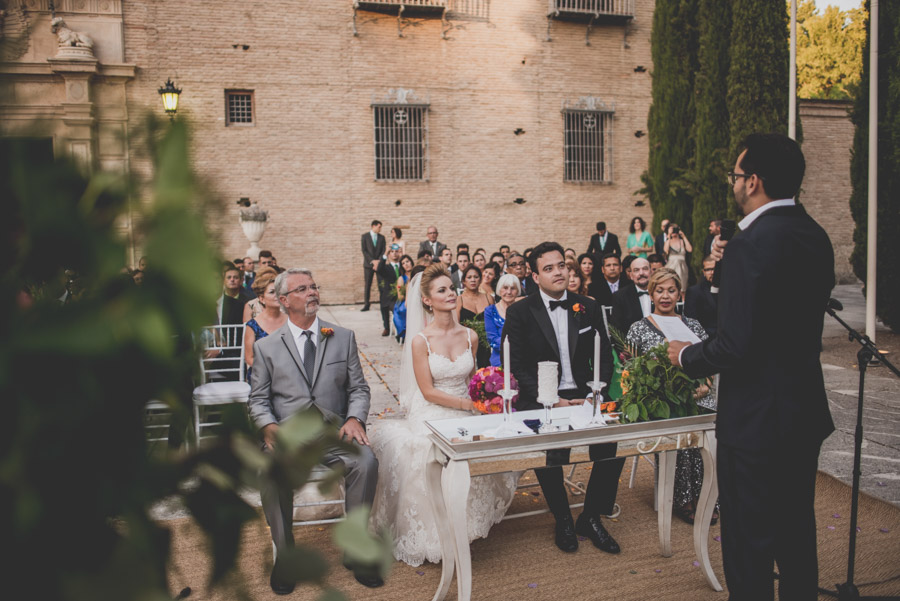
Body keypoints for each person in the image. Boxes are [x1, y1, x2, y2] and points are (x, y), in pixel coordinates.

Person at [668, 133, 835, 601]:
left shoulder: (750, 244)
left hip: (756, 419)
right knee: (796, 532)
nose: (734, 184)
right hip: (802, 410)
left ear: (754, 181)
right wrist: (724, 286)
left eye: (736, 176)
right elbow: (780, 319)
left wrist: (683, 354)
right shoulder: (815, 235)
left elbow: (734, 345)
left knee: (748, 542)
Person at [370, 264, 519, 566]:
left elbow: (471, 382)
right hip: (433, 410)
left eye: (451, 288)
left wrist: (485, 397)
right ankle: (436, 533)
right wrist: (467, 406)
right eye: (442, 290)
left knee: (487, 440)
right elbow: (427, 391)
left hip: (466, 406)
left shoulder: (469, 336)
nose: (451, 293)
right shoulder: (420, 341)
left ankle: (467, 526)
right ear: (427, 300)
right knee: (430, 450)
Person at [248, 268, 381, 592]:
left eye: (314, 287)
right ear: (282, 300)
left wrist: (354, 419)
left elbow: (359, 389)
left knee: (366, 462)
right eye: (302, 289)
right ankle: (286, 554)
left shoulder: (342, 337)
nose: (312, 293)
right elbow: (257, 400)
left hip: (334, 433)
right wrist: (269, 426)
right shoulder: (267, 348)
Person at [503, 242, 623, 554]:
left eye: (561, 265)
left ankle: (591, 515)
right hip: (542, 397)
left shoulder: (588, 306)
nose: (558, 272)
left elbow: (604, 357)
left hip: (587, 394)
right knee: (552, 448)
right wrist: (551, 399)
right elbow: (515, 365)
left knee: (613, 443)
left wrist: (594, 393)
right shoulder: (519, 312)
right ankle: (563, 517)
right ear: (534, 275)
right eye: (549, 268)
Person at [625, 268, 717, 525]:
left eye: (671, 290)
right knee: (681, 431)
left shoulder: (694, 325)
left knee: (709, 438)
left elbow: (710, 360)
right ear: (651, 293)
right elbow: (632, 373)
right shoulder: (638, 329)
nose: (665, 296)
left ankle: (708, 495)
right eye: (660, 290)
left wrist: (706, 386)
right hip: (663, 402)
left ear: (680, 294)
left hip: (701, 398)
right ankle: (683, 498)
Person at [242, 269, 287, 378]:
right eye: (272, 292)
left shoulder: (290, 321)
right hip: (262, 375)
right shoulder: (253, 325)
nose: (276, 295)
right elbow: (249, 358)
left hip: (286, 372)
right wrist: (271, 371)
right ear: (262, 298)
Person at [483, 274, 522, 367]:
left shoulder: (523, 310)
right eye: (505, 288)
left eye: (513, 288)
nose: (509, 292)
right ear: (499, 290)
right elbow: (492, 340)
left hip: (521, 361)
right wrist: (518, 344)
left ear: (517, 291)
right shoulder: (490, 311)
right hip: (499, 362)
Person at [610, 257, 651, 336]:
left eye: (645, 269)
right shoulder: (620, 296)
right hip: (632, 346)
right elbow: (616, 330)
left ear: (651, 272)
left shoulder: (661, 293)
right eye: (636, 270)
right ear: (631, 275)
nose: (641, 273)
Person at [684, 256, 718, 338]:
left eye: (714, 269)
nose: (712, 272)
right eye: (708, 269)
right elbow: (691, 322)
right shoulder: (694, 292)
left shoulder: (729, 290)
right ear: (703, 272)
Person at [374, 244, 402, 337]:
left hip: (402, 296)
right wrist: (385, 253)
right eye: (392, 252)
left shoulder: (403, 266)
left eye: (396, 252)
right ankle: (386, 327)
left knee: (399, 309)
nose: (394, 254)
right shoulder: (386, 267)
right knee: (384, 305)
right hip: (389, 297)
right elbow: (379, 269)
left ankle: (401, 328)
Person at [361, 220, 386, 312]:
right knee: (368, 285)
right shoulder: (365, 236)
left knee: (381, 284)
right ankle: (366, 304)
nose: (380, 229)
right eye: (379, 227)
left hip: (379, 265)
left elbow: (383, 250)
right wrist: (372, 261)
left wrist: (378, 262)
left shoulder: (382, 238)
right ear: (373, 226)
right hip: (368, 265)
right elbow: (364, 250)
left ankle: (382, 303)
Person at [392, 254, 415, 343]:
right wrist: (407, 289)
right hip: (403, 303)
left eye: (407, 261)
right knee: (405, 310)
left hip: (416, 301)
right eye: (403, 263)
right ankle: (404, 332)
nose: (406, 264)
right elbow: (400, 296)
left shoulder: (416, 274)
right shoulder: (401, 279)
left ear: (411, 262)